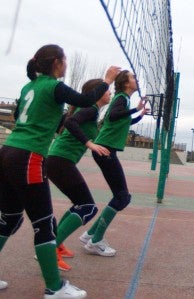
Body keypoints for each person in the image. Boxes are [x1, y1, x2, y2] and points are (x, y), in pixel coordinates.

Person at [0, 44, 120, 298]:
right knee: (43, 224)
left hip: (8, 152)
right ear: (57, 62)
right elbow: (86, 99)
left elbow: (23, 114)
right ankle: (54, 288)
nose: (66, 64)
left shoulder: (28, 87)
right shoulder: (53, 86)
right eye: (64, 60)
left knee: (10, 218)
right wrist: (107, 80)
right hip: (28, 156)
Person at [79, 70, 149, 256]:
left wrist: (140, 113)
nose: (137, 80)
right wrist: (135, 108)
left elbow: (123, 120)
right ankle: (95, 241)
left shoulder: (122, 99)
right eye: (133, 77)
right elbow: (113, 116)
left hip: (106, 150)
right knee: (122, 197)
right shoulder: (121, 99)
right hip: (105, 151)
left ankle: (91, 234)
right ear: (126, 83)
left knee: (120, 196)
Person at [46, 79, 112, 271]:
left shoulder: (91, 111)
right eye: (107, 91)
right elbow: (70, 122)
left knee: (81, 204)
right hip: (60, 160)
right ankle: (49, 251)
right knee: (88, 207)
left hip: (58, 160)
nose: (110, 94)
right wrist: (89, 144)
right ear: (97, 93)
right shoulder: (91, 109)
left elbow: (71, 121)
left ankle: (55, 244)